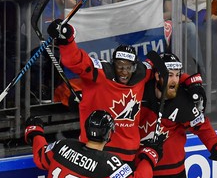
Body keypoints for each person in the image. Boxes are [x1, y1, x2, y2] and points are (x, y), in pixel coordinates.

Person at [46, 19, 205, 167]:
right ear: (112, 64)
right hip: (98, 151)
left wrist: (192, 82)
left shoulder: (142, 73)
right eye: (120, 66)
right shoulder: (100, 72)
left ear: (135, 66)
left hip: (129, 156)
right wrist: (67, 40)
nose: (124, 72)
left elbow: (166, 71)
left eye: (128, 67)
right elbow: (76, 60)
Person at [138, 52, 217, 178]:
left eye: (177, 75)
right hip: (140, 165)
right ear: (157, 76)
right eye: (170, 75)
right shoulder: (139, 91)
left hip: (172, 168)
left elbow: (201, 127)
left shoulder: (183, 100)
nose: (175, 80)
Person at [25, 110, 164, 178]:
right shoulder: (109, 164)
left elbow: (40, 157)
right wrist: (149, 155)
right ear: (109, 134)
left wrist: (35, 131)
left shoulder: (63, 145)